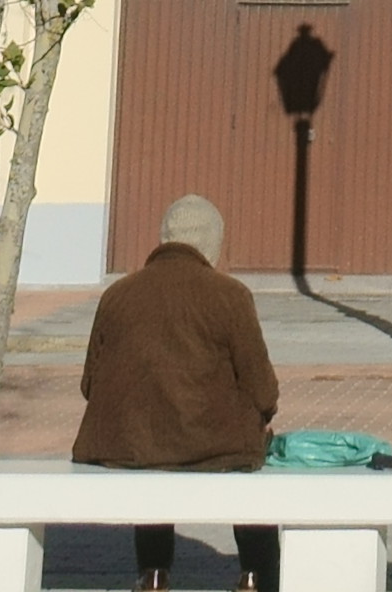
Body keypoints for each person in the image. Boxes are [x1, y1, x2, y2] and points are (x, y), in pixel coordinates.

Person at [77, 191, 279, 591]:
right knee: (249, 459)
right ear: (211, 243)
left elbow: (89, 385)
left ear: (164, 238)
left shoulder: (117, 294)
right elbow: (263, 389)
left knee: (152, 447)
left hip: (128, 447)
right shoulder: (231, 295)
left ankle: (153, 575)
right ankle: (253, 578)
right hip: (212, 446)